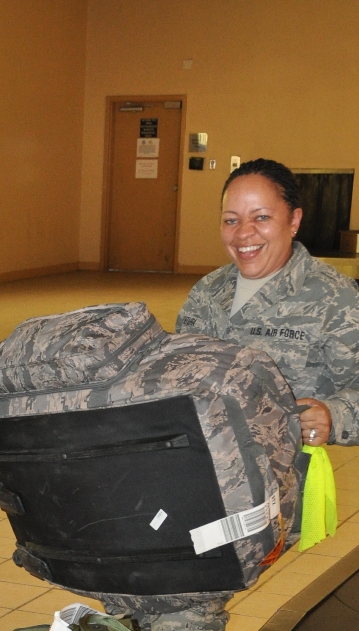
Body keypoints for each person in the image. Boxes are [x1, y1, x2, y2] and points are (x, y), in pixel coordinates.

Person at [99, 158, 359, 631]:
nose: (244, 234)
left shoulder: (336, 300)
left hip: (267, 485)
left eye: (261, 217)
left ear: (294, 219)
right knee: (124, 574)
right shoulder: (209, 292)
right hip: (190, 469)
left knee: (184, 598)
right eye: (231, 220)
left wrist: (335, 414)